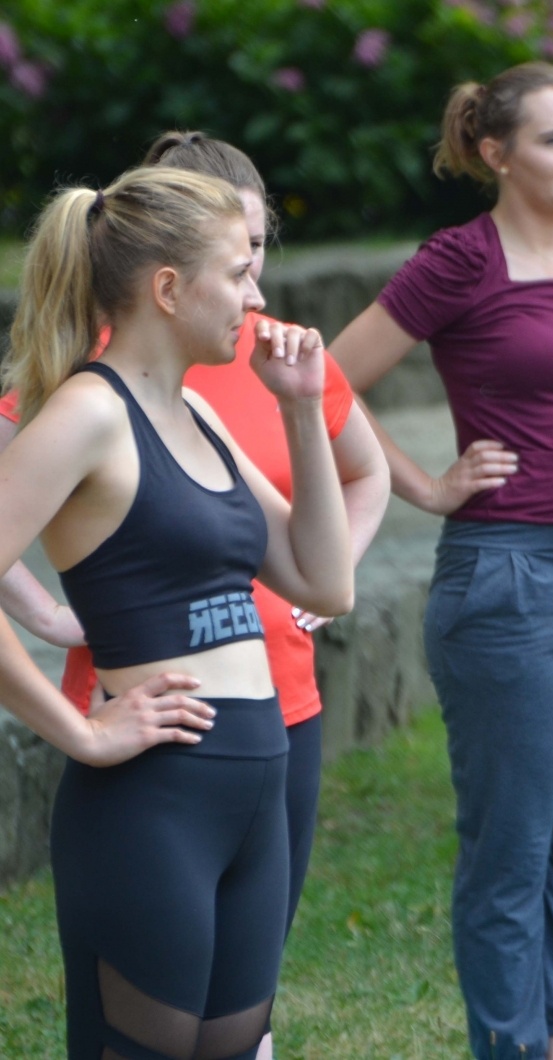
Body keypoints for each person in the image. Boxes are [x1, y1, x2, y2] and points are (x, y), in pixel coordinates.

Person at [0, 139, 388, 1036]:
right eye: (237, 273)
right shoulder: (89, 414)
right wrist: (81, 733)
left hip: (258, 789)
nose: (257, 298)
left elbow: (327, 584)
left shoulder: (201, 412)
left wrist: (300, 408)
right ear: (168, 289)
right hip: (153, 805)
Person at [327, 62, 553, 1060]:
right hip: (510, 575)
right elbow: (329, 382)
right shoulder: (457, 263)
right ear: (494, 152)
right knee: (510, 852)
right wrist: (425, 487)